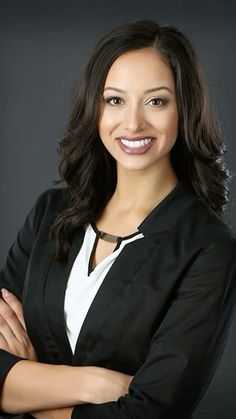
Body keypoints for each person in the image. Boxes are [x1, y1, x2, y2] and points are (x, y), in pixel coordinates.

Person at [0, 19, 235, 419]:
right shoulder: (49, 214)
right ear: (95, 108)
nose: (132, 124)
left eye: (156, 101)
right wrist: (94, 384)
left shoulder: (207, 249)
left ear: (185, 108)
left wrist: (30, 388)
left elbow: (151, 411)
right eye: (115, 100)